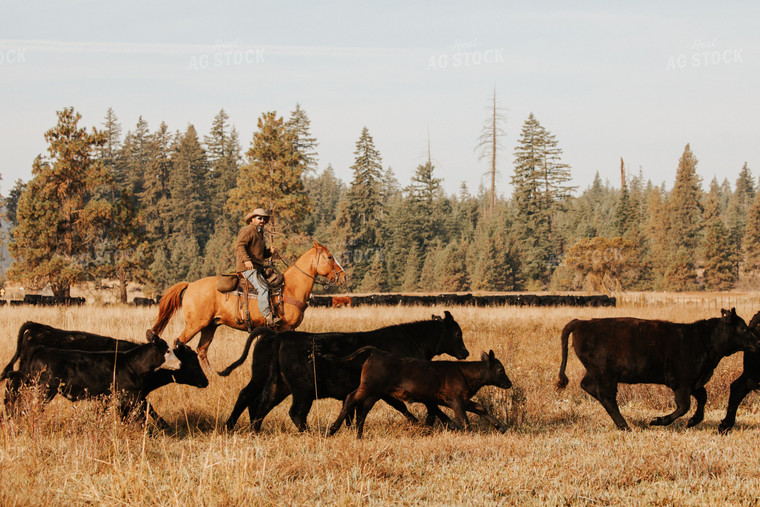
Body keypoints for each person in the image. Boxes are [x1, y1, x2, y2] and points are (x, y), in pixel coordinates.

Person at [235, 208, 282, 327]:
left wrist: (269, 252)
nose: (262, 220)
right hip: (247, 268)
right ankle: (268, 317)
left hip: (257, 267)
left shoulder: (260, 233)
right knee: (263, 288)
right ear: (252, 219)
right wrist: (246, 260)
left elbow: (259, 255)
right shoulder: (248, 230)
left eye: (264, 219)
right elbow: (240, 246)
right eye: (259, 218)